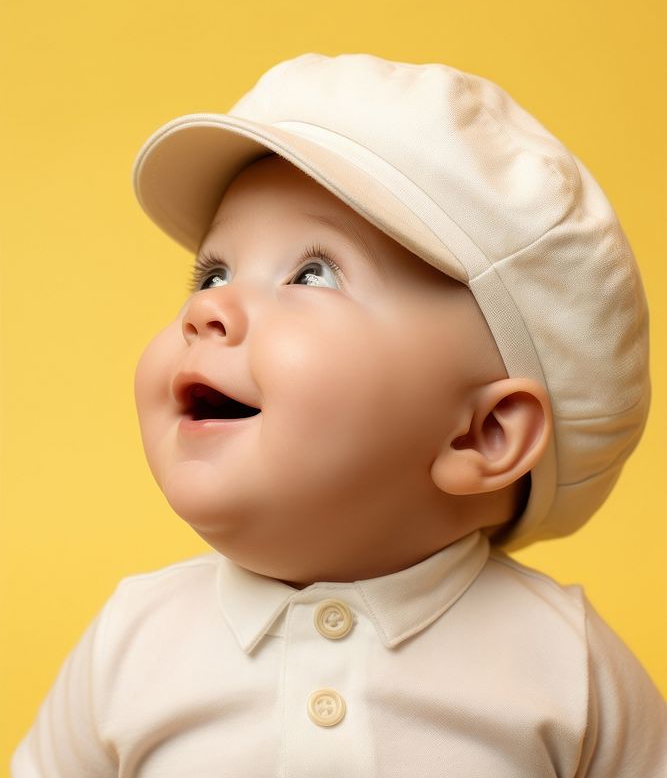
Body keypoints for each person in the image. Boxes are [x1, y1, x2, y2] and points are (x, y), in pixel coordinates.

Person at [12, 53, 666, 775]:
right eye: (214, 271)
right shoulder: (133, 642)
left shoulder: (561, 662)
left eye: (310, 273)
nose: (208, 309)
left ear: (484, 434)